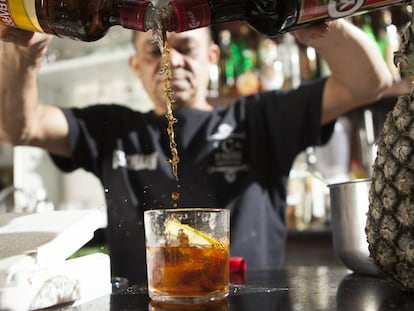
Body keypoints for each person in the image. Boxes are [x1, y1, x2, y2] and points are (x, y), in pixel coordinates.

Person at [0, 19, 405, 285]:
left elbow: (370, 84)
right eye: (154, 51)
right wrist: (26, 58)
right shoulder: (114, 130)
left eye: (186, 49)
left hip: (249, 303)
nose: (170, 61)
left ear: (212, 58)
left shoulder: (260, 118)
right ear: (135, 66)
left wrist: (319, 21)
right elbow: (21, 127)